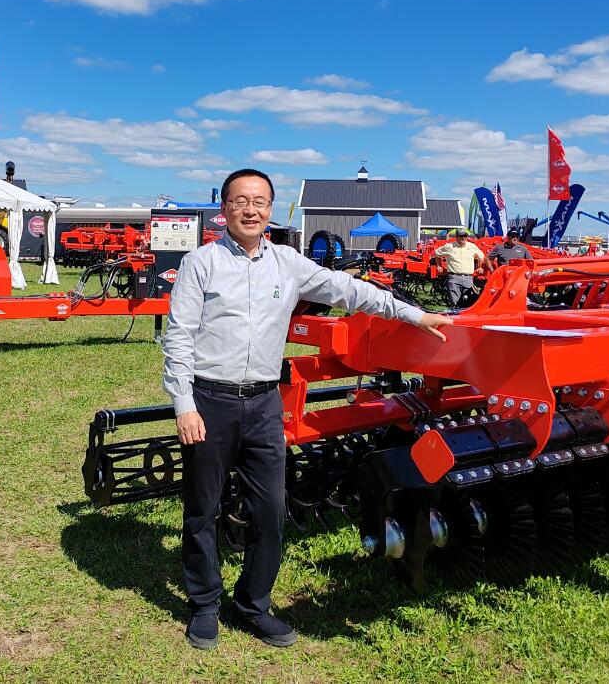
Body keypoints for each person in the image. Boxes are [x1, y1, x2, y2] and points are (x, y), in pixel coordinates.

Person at [162, 168, 452, 651]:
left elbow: (352, 291)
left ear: (270, 209)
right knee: (202, 509)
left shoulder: (289, 264)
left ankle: (253, 605)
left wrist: (416, 315)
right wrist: (184, 404)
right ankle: (205, 605)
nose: (250, 209)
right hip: (210, 402)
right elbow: (178, 337)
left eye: (259, 201)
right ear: (224, 209)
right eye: (240, 201)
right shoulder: (201, 263)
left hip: (262, 404)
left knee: (271, 509)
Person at [434, 227, 486, 308]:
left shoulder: (472, 246)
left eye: (465, 236)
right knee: (455, 303)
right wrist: (439, 265)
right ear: (456, 237)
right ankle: (456, 319)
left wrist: (480, 267)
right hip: (454, 278)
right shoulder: (449, 246)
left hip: (468, 278)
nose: (464, 238)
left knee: (469, 303)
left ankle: (466, 319)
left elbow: (481, 256)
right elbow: (437, 254)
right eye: (461, 236)